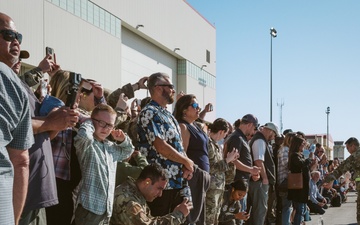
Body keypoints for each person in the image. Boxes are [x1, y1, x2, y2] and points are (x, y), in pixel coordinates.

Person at [137, 72, 194, 217]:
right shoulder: (149, 112)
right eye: (170, 86)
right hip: (159, 186)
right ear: (158, 88)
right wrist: (186, 161)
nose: (173, 90)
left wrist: (186, 166)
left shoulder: (169, 116)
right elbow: (160, 146)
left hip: (176, 182)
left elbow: (177, 147)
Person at [74, 103, 134, 225]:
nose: (106, 128)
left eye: (110, 125)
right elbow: (84, 137)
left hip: (106, 211)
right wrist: (88, 121)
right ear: (92, 121)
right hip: (88, 209)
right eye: (101, 123)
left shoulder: (110, 147)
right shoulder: (88, 145)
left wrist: (123, 139)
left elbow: (129, 150)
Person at [0, 12, 34, 225]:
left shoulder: (18, 88)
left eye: (18, 37)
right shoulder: (16, 88)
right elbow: (20, 160)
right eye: (8, 34)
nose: (15, 41)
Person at [111, 163, 192, 224]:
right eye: (159, 188)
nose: (160, 194)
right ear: (147, 182)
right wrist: (178, 214)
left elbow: (149, 220)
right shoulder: (128, 200)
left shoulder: (136, 194)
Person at [174, 94, 211, 224]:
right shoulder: (183, 126)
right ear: (184, 110)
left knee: (200, 217)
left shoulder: (196, 126)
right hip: (192, 176)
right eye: (195, 105)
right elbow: (182, 151)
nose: (198, 108)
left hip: (202, 177)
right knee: (191, 217)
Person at [205, 118, 239, 225]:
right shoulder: (208, 144)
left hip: (218, 190)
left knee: (215, 220)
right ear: (221, 132)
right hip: (210, 190)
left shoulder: (218, 147)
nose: (225, 137)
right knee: (208, 220)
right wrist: (227, 160)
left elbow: (224, 173)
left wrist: (231, 162)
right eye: (225, 134)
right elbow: (210, 168)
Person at [246, 122, 279, 225]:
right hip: (259, 182)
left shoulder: (259, 139)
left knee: (257, 211)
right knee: (260, 211)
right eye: (273, 135)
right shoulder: (260, 140)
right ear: (270, 131)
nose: (273, 138)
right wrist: (265, 178)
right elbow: (258, 161)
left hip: (257, 181)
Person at [323, 137, 360, 224]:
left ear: (353, 145)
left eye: (348, 148)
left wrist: (325, 180)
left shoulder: (355, 156)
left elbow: (340, 170)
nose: (348, 151)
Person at [287, 136, 317, 225]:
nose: (304, 146)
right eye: (302, 144)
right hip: (298, 187)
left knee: (302, 209)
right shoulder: (294, 155)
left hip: (303, 186)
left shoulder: (300, 155)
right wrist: (310, 158)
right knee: (300, 209)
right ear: (297, 145)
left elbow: (306, 167)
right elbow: (301, 164)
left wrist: (312, 164)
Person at [277, 132, 296, 225]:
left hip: (287, 181)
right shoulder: (285, 149)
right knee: (287, 207)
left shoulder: (286, 149)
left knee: (288, 206)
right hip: (285, 181)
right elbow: (286, 164)